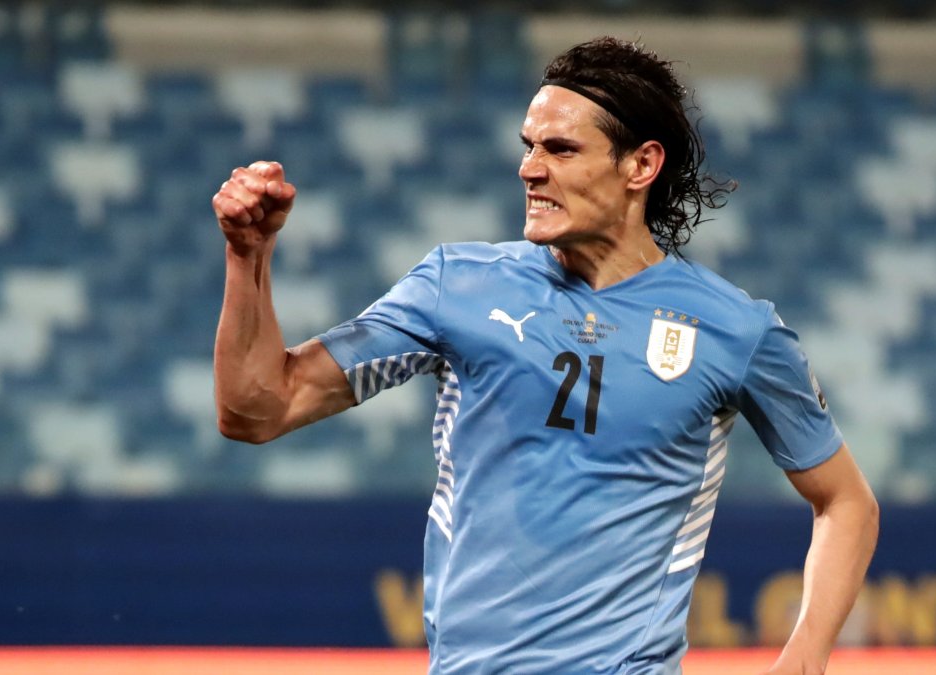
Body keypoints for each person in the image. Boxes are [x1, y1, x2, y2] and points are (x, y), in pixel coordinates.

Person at [212, 36, 878, 675]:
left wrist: (805, 655)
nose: (529, 168)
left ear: (640, 166)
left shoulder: (736, 329)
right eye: (529, 147)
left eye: (560, 149)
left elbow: (846, 502)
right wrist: (249, 255)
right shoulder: (456, 286)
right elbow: (256, 408)